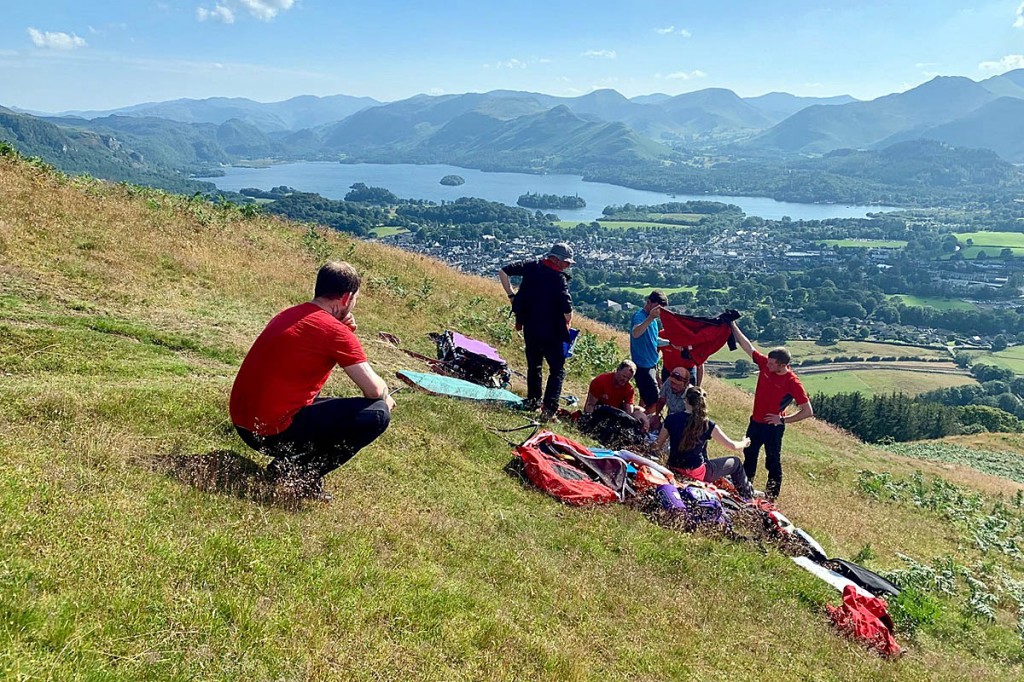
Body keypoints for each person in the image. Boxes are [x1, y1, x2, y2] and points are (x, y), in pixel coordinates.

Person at [230, 261, 395, 500]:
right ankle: (296, 475)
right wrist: (387, 399)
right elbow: (374, 390)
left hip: (243, 422)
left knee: (332, 407)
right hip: (269, 432)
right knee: (377, 413)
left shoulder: (289, 314)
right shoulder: (335, 333)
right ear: (347, 297)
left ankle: (286, 467)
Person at [729, 320, 813, 501]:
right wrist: (733, 325)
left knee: (772, 462)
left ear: (783, 365)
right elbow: (747, 346)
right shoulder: (766, 364)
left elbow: (808, 411)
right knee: (749, 456)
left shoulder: (792, 382)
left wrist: (783, 420)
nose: (767, 365)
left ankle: (771, 499)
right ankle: (744, 490)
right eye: (768, 362)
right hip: (755, 423)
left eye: (772, 364)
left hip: (773, 428)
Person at [498, 243, 574, 420]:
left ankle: (533, 401)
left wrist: (511, 295)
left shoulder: (531, 266)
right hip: (552, 330)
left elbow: (503, 271)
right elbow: (567, 307)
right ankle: (549, 409)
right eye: (566, 262)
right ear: (555, 259)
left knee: (534, 365)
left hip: (530, 326)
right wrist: (568, 321)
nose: (568, 265)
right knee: (557, 370)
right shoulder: (558, 278)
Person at [654, 385, 754, 499]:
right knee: (735, 462)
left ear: (686, 400)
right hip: (697, 473)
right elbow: (733, 446)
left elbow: (657, 445)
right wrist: (744, 442)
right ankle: (748, 497)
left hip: (673, 468)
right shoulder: (707, 424)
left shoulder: (671, 419)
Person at [629, 291, 669, 413]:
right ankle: (642, 420)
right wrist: (650, 317)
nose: (659, 311)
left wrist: (670, 343)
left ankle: (638, 416)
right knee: (654, 402)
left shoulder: (655, 321)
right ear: (649, 302)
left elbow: (654, 339)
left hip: (652, 364)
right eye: (657, 307)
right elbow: (636, 333)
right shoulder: (639, 316)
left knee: (645, 398)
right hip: (643, 366)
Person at [583, 360, 649, 429]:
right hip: (600, 409)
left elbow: (629, 412)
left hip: (616, 411)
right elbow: (590, 405)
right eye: (623, 376)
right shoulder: (600, 381)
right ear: (618, 370)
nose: (625, 380)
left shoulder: (628, 389)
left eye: (628, 378)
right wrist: (588, 420)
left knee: (641, 411)